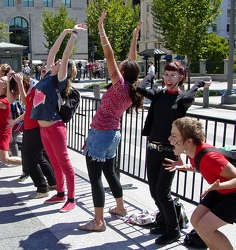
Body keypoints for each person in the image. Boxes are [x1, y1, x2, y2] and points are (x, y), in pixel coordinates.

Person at [77, 10, 143, 232]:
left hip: (101, 134)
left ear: (122, 72)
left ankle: (98, 221)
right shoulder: (132, 86)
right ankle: (120, 207)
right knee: (110, 172)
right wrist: (134, 38)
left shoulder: (119, 85)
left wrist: (101, 29)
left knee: (95, 178)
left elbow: (109, 56)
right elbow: (132, 61)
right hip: (114, 134)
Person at [136, 61, 211, 244]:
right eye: (166, 74)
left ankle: (173, 230)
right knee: (154, 191)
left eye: (173, 75)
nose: (168, 78)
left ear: (181, 77)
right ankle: (164, 221)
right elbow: (141, 87)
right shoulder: (159, 94)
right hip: (153, 149)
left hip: (170, 151)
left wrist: (199, 84)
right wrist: (151, 73)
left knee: (163, 192)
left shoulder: (182, 99)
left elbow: (191, 95)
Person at [164, 117, 236, 250]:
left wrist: (220, 186)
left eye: (174, 136)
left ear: (188, 141)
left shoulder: (210, 157)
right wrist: (186, 167)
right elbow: (203, 166)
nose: (169, 139)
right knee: (196, 221)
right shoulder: (192, 152)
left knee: (206, 228)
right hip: (221, 189)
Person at [31, 23, 86, 213]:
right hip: (44, 128)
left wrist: (74, 36)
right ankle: (60, 193)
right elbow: (53, 52)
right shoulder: (47, 75)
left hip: (55, 127)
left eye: (59, 64)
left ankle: (71, 198)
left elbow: (64, 56)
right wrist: (64, 32)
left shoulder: (58, 79)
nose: (54, 63)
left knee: (64, 163)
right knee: (54, 162)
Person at [11, 71, 56, 197]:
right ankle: (53, 182)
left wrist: (19, 83)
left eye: (17, 88)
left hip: (36, 127)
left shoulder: (36, 88)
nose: (17, 91)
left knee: (29, 159)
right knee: (38, 157)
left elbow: (25, 102)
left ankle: (42, 188)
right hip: (31, 127)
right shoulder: (32, 88)